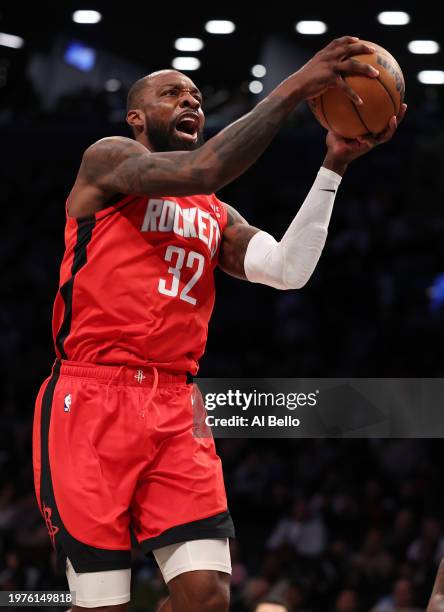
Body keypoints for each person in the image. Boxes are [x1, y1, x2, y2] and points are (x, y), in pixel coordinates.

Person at [32, 36, 405, 612]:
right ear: (136, 117)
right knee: (101, 604)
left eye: (197, 97)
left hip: (176, 405)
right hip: (89, 398)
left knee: (206, 597)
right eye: (171, 94)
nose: (190, 103)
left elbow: (288, 270)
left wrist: (332, 164)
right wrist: (296, 86)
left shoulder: (214, 214)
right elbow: (203, 168)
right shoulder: (106, 160)